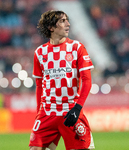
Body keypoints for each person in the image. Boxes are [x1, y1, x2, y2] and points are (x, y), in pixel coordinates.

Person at [29, 10, 95, 150]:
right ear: (51, 27)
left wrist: (77, 108)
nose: (68, 24)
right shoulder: (40, 52)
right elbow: (39, 85)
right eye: (62, 21)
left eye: (67, 20)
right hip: (47, 113)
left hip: (71, 111)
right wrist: (38, 113)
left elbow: (87, 81)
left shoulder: (77, 48)